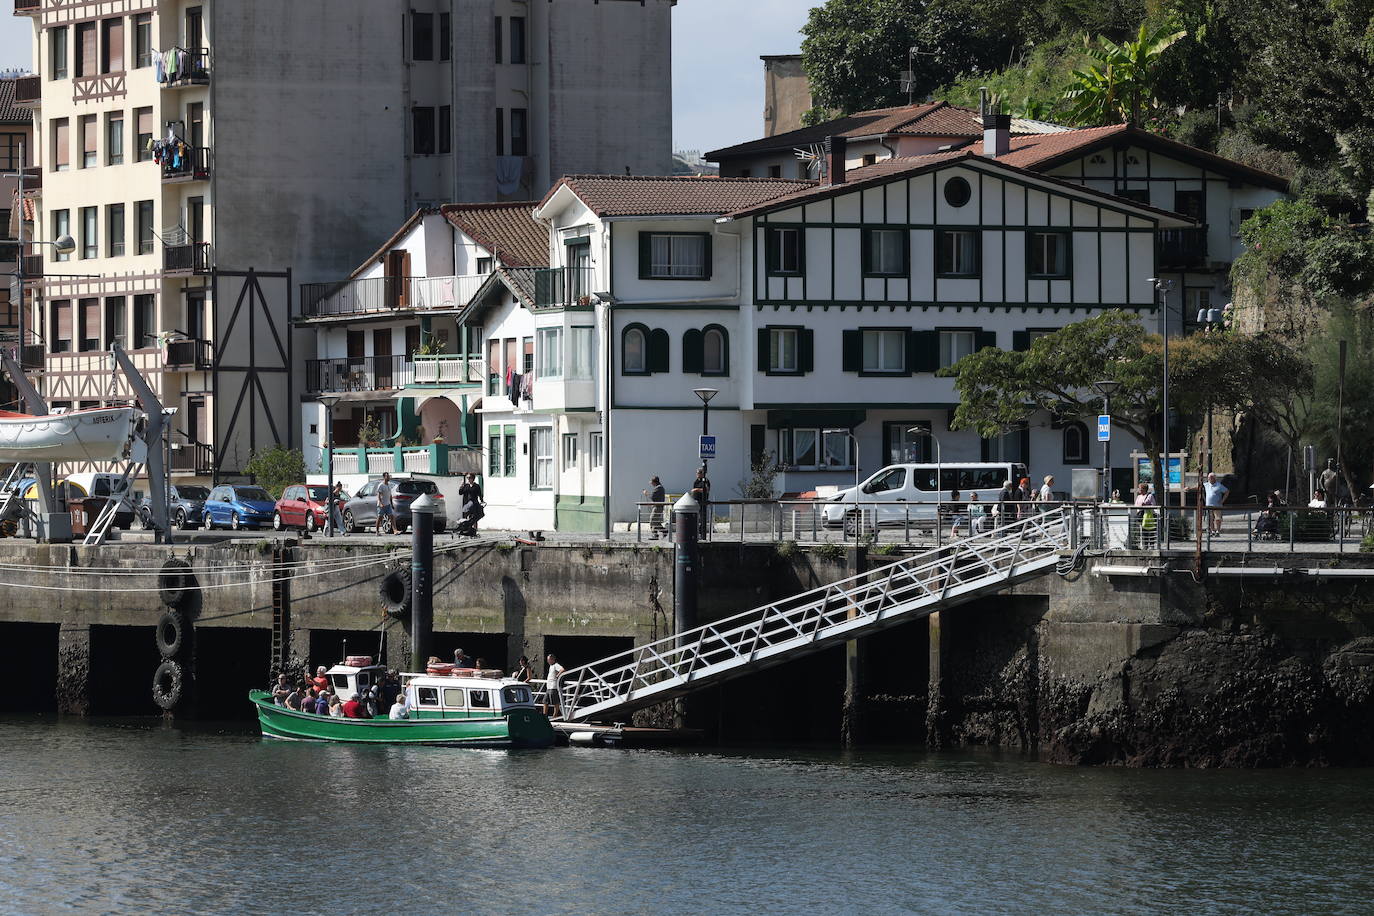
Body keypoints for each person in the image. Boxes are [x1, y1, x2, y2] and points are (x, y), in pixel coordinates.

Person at [544, 653, 566, 718]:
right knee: (545, 701)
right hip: (549, 687)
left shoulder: (556, 665)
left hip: (553, 686)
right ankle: (544, 715)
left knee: (555, 702)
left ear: (552, 659)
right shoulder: (551, 666)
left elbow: (562, 669)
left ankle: (555, 715)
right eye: (547, 660)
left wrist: (557, 675)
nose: (548, 661)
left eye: (549, 660)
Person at [692, 466, 712, 538]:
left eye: (699, 473)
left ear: (702, 473)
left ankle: (702, 532)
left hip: (702, 501)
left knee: (702, 517)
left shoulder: (706, 480)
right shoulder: (696, 481)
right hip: (696, 501)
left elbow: (706, 490)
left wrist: (696, 489)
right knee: (696, 517)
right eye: (697, 473)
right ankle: (696, 532)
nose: (697, 474)